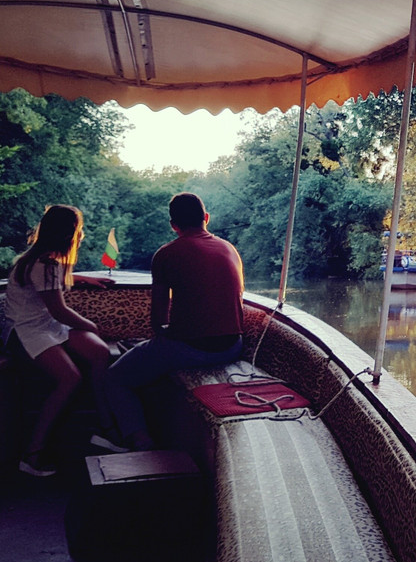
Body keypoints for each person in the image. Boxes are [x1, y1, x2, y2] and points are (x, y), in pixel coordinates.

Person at [106, 192, 244, 450]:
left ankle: (140, 440)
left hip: (192, 349)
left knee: (114, 378)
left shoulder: (166, 254)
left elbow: (158, 319)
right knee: (153, 357)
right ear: (206, 218)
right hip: (233, 346)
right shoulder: (229, 248)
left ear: (173, 225)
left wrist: (158, 339)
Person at [6, 205, 121, 476]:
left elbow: (51, 286)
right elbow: (59, 310)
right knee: (70, 378)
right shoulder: (45, 264)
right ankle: (32, 454)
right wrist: (92, 326)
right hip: (26, 331)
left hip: (46, 325)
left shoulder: (44, 261)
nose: (81, 235)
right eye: (79, 230)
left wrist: (83, 279)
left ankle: (104, 426)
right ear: (68, 233)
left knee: (99, 352)